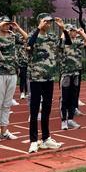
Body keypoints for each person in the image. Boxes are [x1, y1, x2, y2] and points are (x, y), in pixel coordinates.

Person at [26, 13, 69, 153]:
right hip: (36, 77)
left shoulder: (52, 37)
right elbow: (29, 45)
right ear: (40, 21)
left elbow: (67, 43)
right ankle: (33, 140)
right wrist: (38, 28)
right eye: (45, 22)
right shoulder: (32, 35)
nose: (48, 24)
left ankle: (46, 138)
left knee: (47, 109)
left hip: (49, 77)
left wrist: (63, 29)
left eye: (50, 22)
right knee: (34, 110)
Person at [0, 16, 28, 143]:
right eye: (5, 23)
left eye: (8, 23)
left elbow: (27, 38)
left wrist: (18, 28)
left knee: (7, 103)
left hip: (12, 72)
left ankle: (4, 130)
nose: (7, 25)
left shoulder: (13, 36)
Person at [59, 24, 86, 130]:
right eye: (71, 31)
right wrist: (64, 31)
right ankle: (64, 121)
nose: (73, 32)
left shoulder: (77, 42)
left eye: (74, 31)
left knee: (73, 98)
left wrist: (81, 33)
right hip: (66, 73)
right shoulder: (63, 42)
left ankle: (70, 119)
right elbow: (60, 42)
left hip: (76, 73)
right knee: (65, 98)